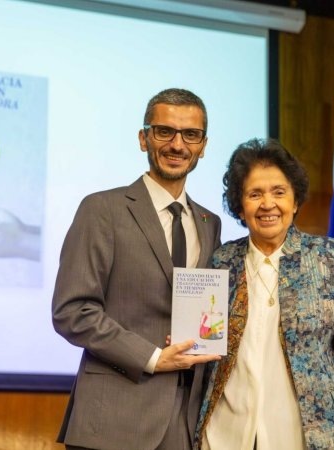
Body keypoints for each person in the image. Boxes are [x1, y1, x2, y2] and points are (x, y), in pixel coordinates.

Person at [52, 88, 222, 450]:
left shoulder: (209, 223)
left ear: (203, 146)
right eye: (165, 131)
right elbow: (72, 311)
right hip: (113, 420)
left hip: (186, 423)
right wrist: (152, 358)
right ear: (144, 138)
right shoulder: (102, 210)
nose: (177, 144)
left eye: (190, 134)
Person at [195, 138, 334, 450]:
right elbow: (205, 345)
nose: (267, 204)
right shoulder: (221, 262)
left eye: (279, 192)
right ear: (240, 207)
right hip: (226, 435)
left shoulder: (332, 260)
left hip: (308, 437)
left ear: (295, 201)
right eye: (254, 194)